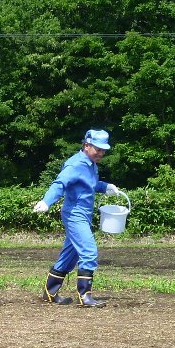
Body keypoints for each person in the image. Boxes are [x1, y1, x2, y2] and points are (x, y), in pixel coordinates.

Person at [33, 128, 121, 307]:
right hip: (75, 214)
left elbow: (90, 185)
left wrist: (105, 187)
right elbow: (60, 183)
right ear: (87, 145)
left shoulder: (91, 164)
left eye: (104, 150)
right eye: (98, 149)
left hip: (84, 214)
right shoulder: (76, 164)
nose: (101, 153)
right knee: (89, 251)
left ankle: (50, 292)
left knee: (70, 256)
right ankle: (85, 296)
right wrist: (46, 201)